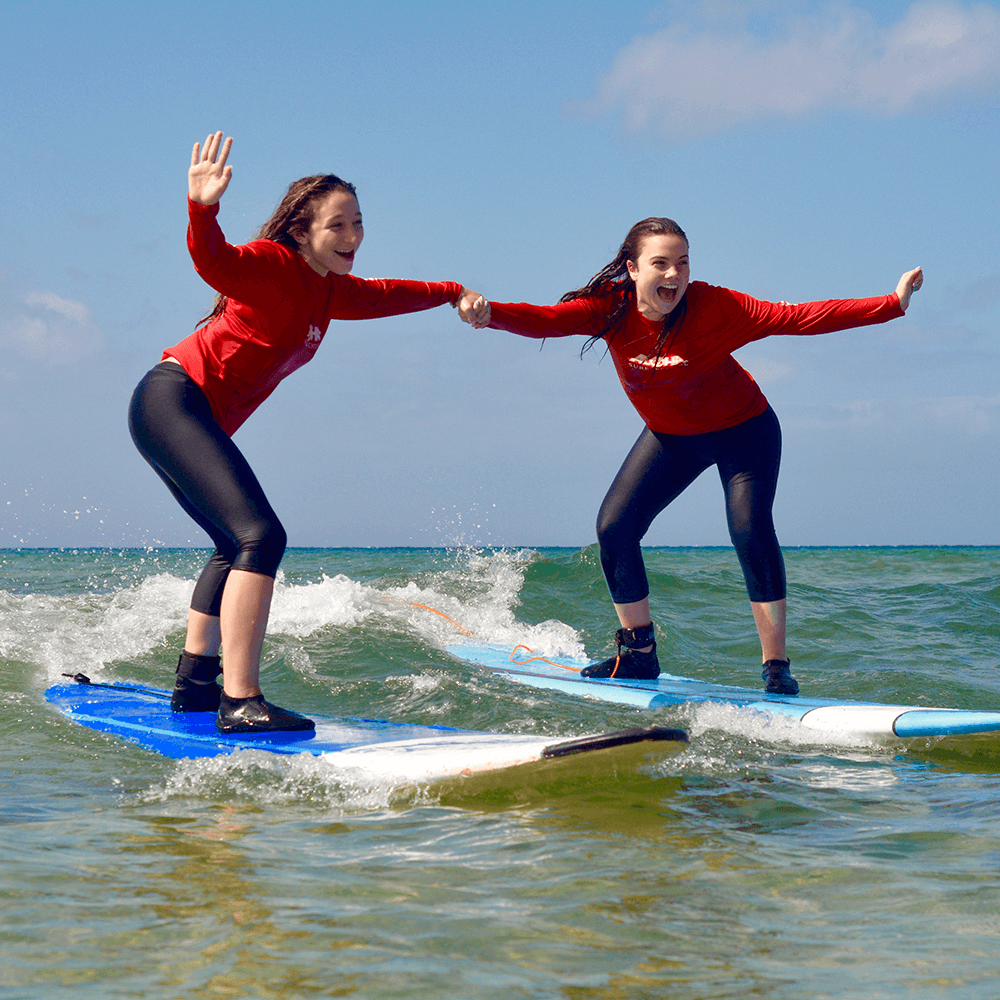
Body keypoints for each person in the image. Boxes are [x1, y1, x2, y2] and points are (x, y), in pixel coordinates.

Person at [466, 217, 922, 694]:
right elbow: (546, 319)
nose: (674, 275)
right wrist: (489, 313)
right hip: (672, 437)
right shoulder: (610, 309)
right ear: (633, 268)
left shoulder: (715, 307)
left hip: (744, 431)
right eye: (660, 263)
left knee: (749, 528)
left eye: (682, 263)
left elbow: (800, 317)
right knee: (615, 528)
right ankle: (638, 655)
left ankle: (776, 666)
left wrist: (890, 304)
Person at [128, 132, 490, 733]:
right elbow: (214, 261)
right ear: (302, 232)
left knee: (234, 543)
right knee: (261, 536)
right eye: (337, 225)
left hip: (183, 414)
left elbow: (389, 294)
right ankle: (240, 700)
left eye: (358, 223)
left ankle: (194, 686)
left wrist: (455, 292)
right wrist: (202, 207)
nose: (353, 236)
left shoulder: (329, 290)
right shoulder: (274, 265)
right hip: (172, 400)